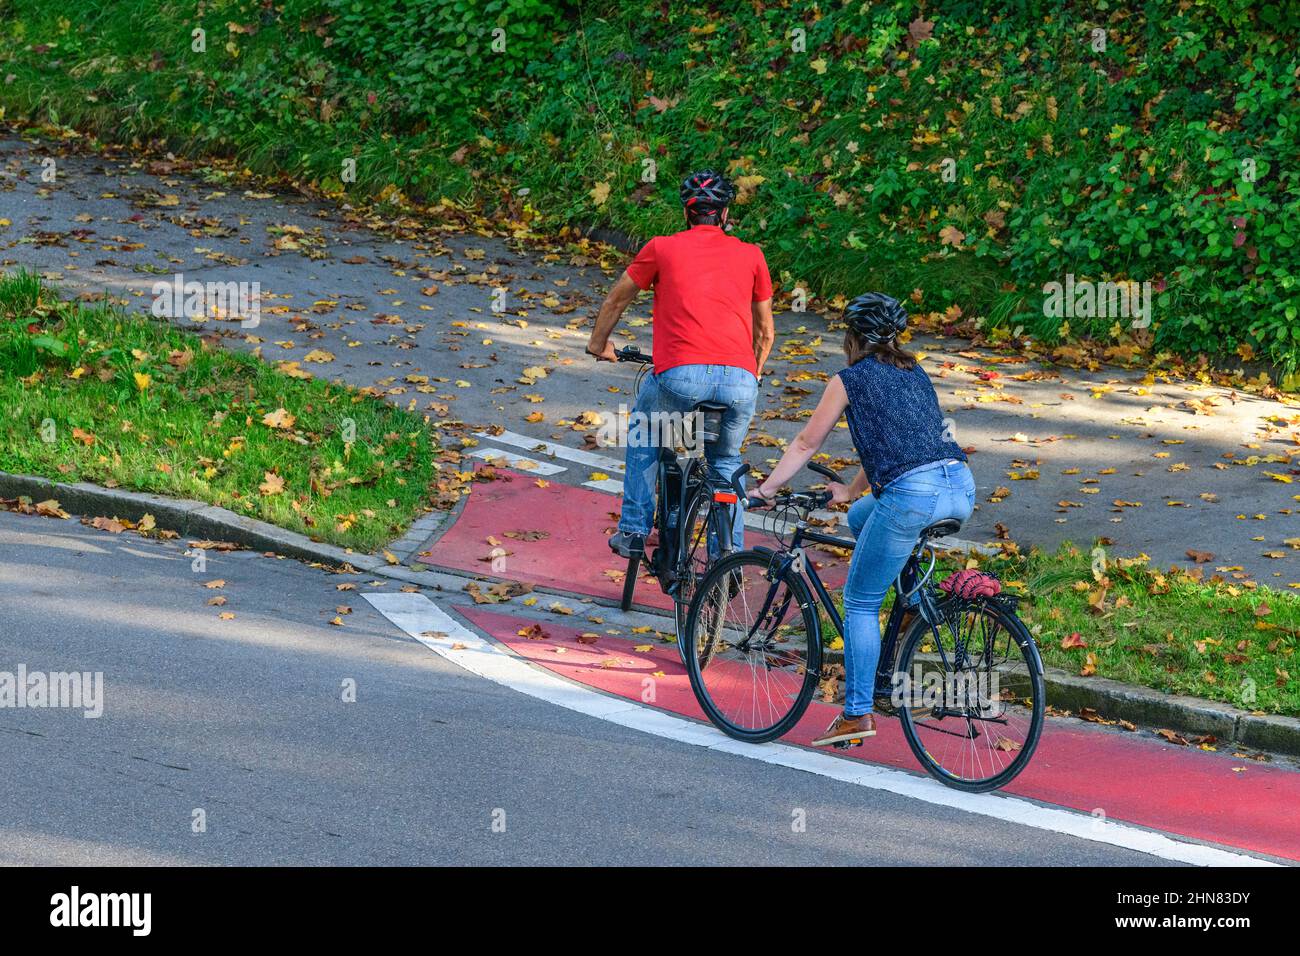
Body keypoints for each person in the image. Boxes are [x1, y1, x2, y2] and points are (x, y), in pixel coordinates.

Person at [750, 292, 975, 747]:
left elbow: (805, 444)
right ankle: (911, 599)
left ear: (853, 337)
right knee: (859, 515)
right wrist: (851, 491)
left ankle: (856, 715)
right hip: (960, 487)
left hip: (913, 495)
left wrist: (766, 489)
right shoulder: (913, 370)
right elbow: (901, 443)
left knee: (860, 601)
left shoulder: (849, 379)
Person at [586, 169, 776, 558]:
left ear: (687, 214)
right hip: (740, 381)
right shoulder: (752, 255)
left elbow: (617, 300)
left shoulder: (661, 247)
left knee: (644, 431)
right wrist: (751, 374)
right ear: (724, 215)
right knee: (725, 459)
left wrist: (598, 344)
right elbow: (766, 333)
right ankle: (728, 558)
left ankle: (635, 531)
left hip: (681, 377)